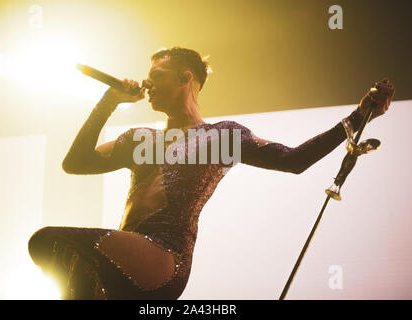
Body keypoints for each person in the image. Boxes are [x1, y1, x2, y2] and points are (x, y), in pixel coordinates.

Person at [28, 47, 395, 300]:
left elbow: (294, 159)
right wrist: (109, 101)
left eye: (156, 74)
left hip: (165, 257)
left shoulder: (223, 136)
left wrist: (358, 116)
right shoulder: (137, 138)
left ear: (185, 78)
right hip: (124, 262)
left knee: (46, 241)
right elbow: (74, 163)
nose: (147, 82)